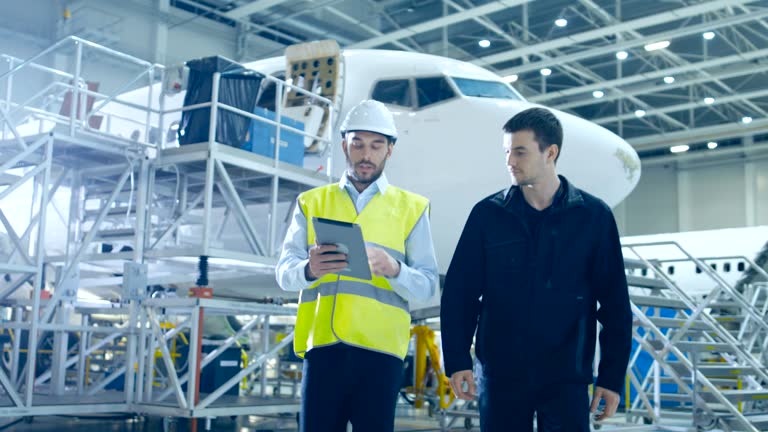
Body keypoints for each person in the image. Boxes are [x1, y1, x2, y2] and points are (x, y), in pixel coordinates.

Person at [440, 107, 632, 431]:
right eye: (507, 152)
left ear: (550, 152)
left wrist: (611, 378)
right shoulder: (487, 216)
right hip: (501, 377)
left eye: (520, 151)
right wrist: (458, 360)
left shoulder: (593, 218)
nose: (510, 161)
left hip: (566, 378)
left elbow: (615, 306)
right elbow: (461, 294)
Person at [275, 100, 439, 432]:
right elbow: (283, 275)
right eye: (358, 143)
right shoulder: (311, 203)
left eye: (376, 145)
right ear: (344, 145)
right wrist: (309, 269)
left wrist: (395, 268)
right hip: (323, 350)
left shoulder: (412, 208)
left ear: (389, 150)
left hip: (380, 353)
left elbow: (428, 286)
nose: (366, 154)